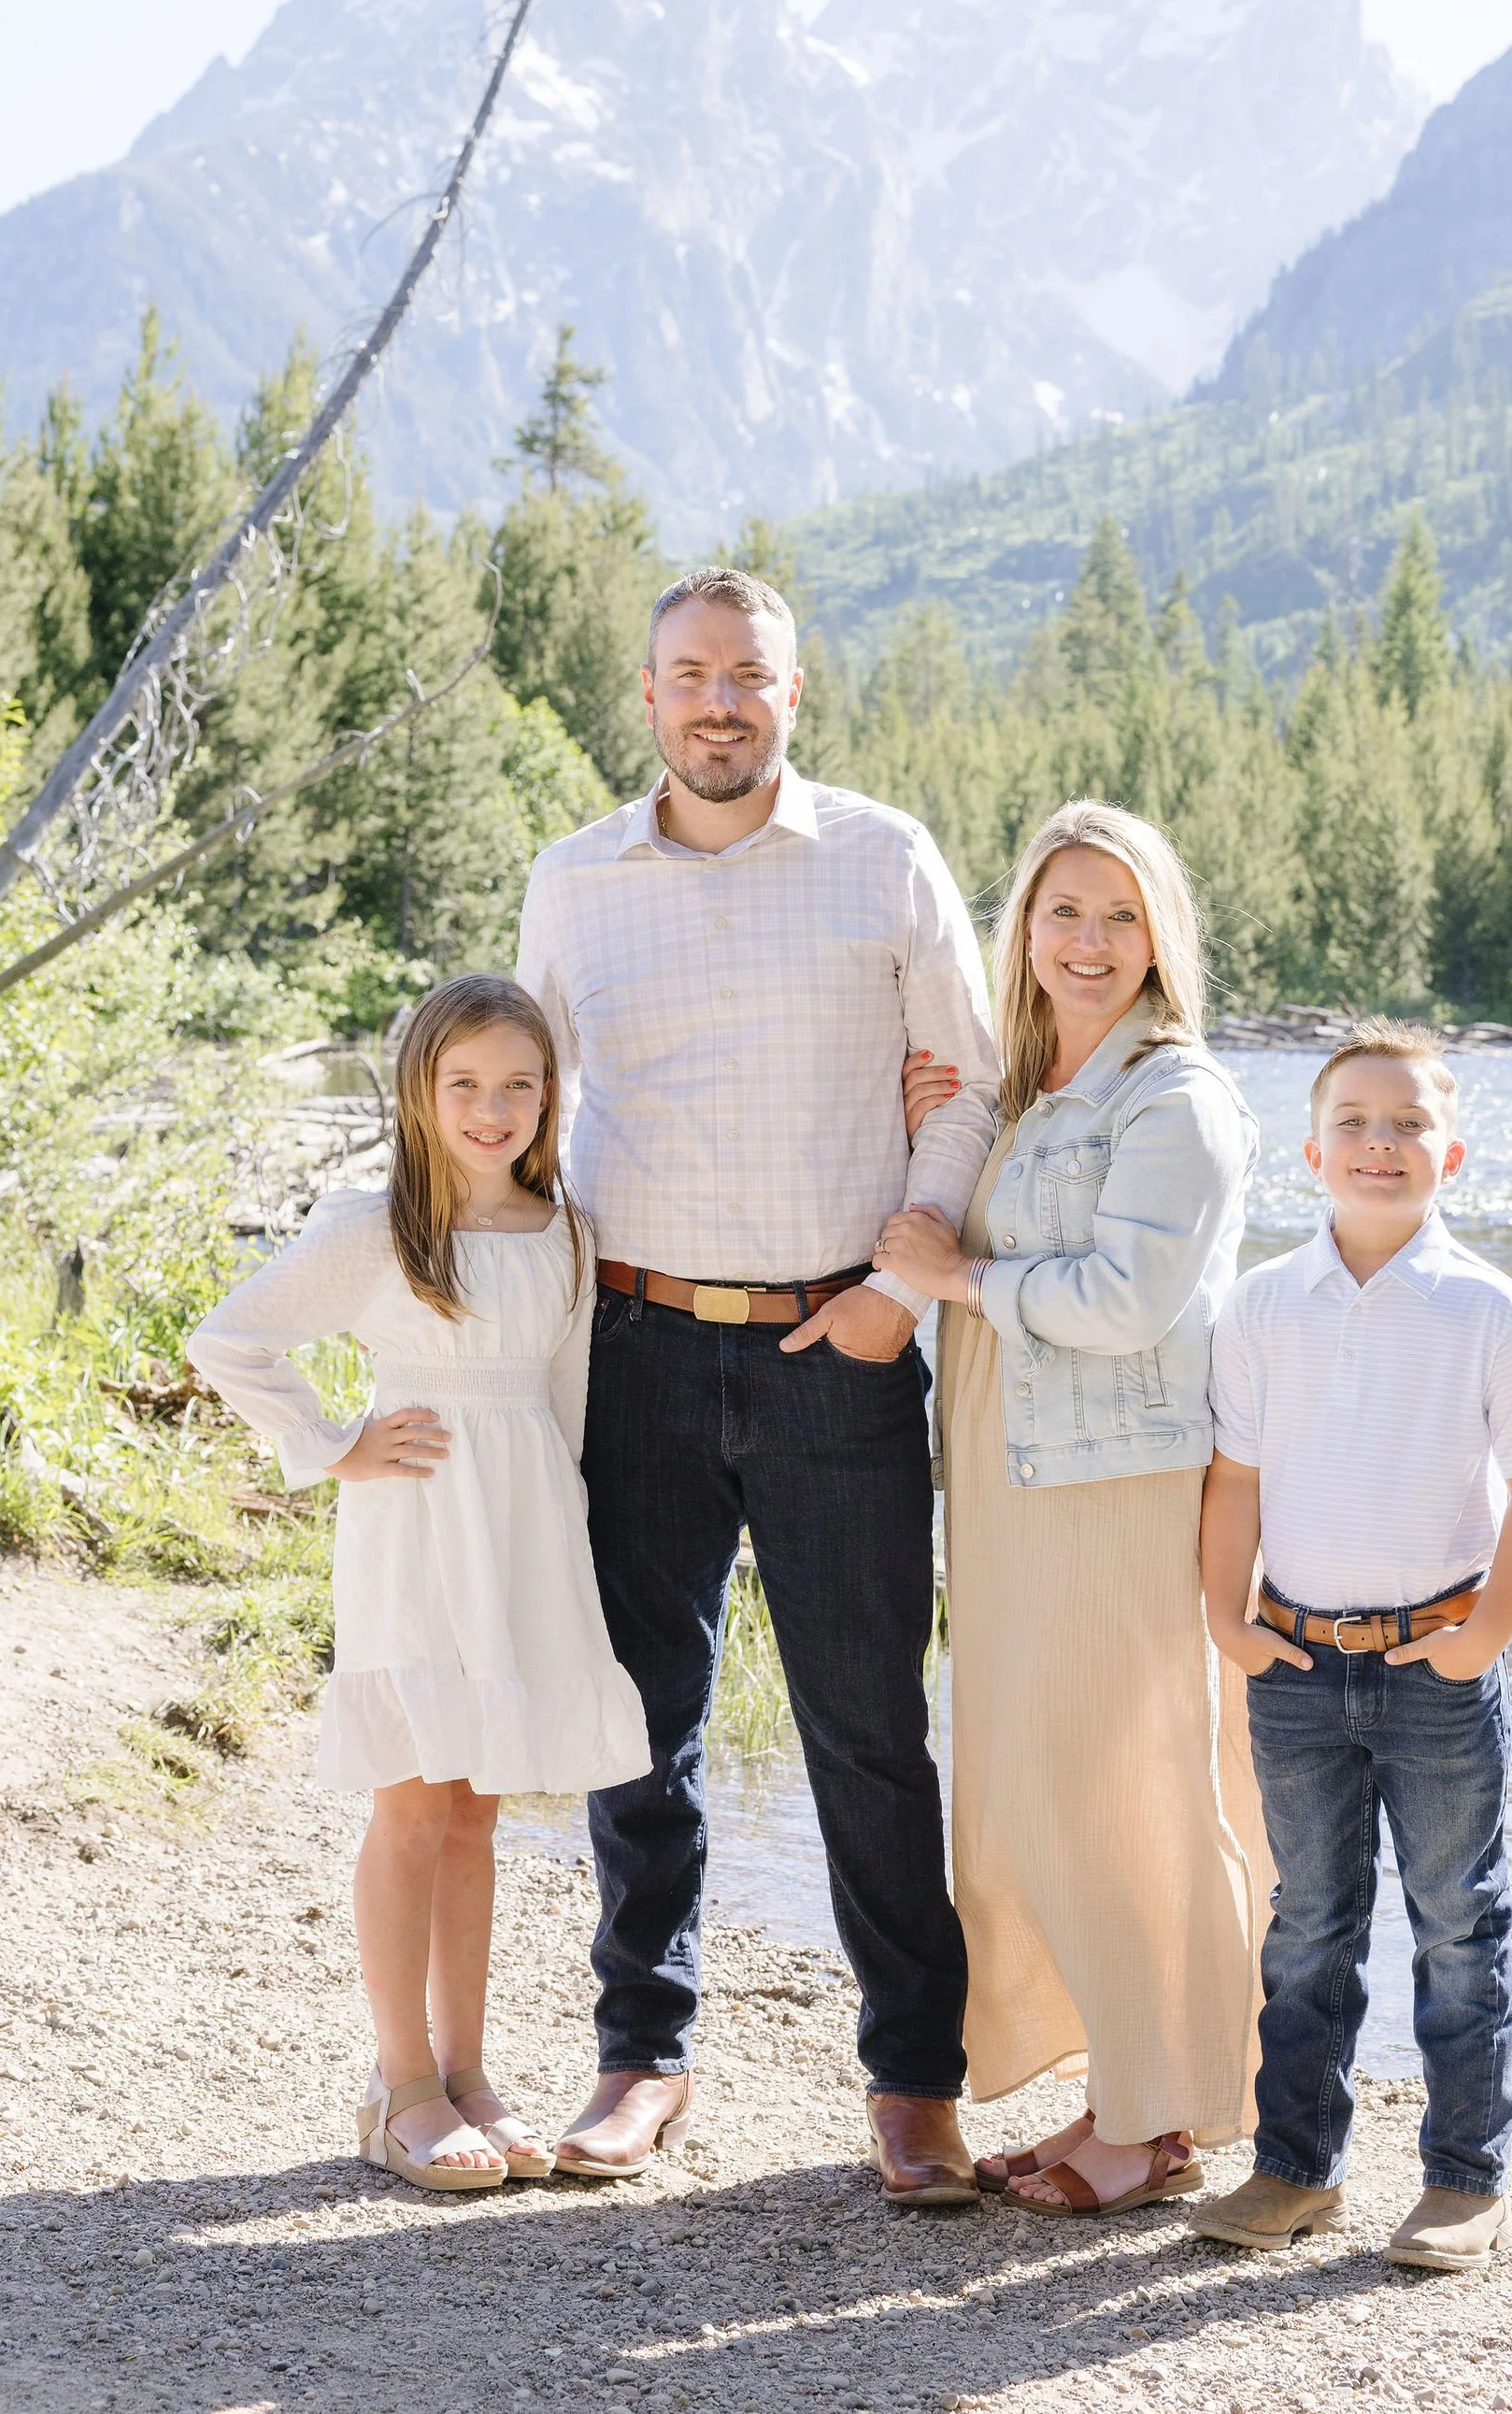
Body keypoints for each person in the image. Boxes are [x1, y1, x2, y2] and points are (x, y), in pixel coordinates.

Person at [515, 565, 1000, 2203]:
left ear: (797, 694)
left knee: (868, 1725)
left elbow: (972, 1078)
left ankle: (916, 2079)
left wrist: (893, 1284)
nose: (720, 700)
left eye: (750, 675)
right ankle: (642, 2057)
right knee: (635, 1720)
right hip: (636, 1345)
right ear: (647, 697)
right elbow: (529, 1112)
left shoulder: (883, 858)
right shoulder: (573, 883)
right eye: (690, 673)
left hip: (833, 1351)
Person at [188, 975, 649, 2193]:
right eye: (465, 1085)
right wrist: (333, 1443)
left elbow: (568, 1405)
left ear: (551, 1097)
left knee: (477, 1808)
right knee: (411, 1803)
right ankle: (398, 2085)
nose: (492, 1109)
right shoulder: (379, 1226)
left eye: (517, 1085)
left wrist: (572, 1538)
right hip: (413, 1530)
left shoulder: (564, 1233)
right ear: (419, 1092)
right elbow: (231, 1338)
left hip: (522, 1534)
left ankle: (469, 2071)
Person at [879, 800, 1272, 2215]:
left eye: (1119, 915)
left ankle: (1162, 2118)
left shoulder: (1178, 1097)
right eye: (1064, 912)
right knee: (1032, 1787)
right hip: (1012, 1483)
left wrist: (958, 1281)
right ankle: (1120, 2088)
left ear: (1160, 936)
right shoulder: (1038, 1087)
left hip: (1117, 1487)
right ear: (1023, 931)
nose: (1089, 941)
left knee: (1136, 1787)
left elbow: (1130, 1299)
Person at [1191, 1019, 1512, 2273]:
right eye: (1354, 1123)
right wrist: (1227, 1620)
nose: (1379, 1143)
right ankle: (1294, 2170)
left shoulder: (1485, 1307)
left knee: (1459, 1920)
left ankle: (1465, 2179)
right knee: (1308, 1921)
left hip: (1436, 1672)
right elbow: (1233, 1478)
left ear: (1450, 1156)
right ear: (1311, 1151)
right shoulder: (1264, 1304)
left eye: (1407, 1124)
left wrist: (1485, 1636)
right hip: (1297, 1669)